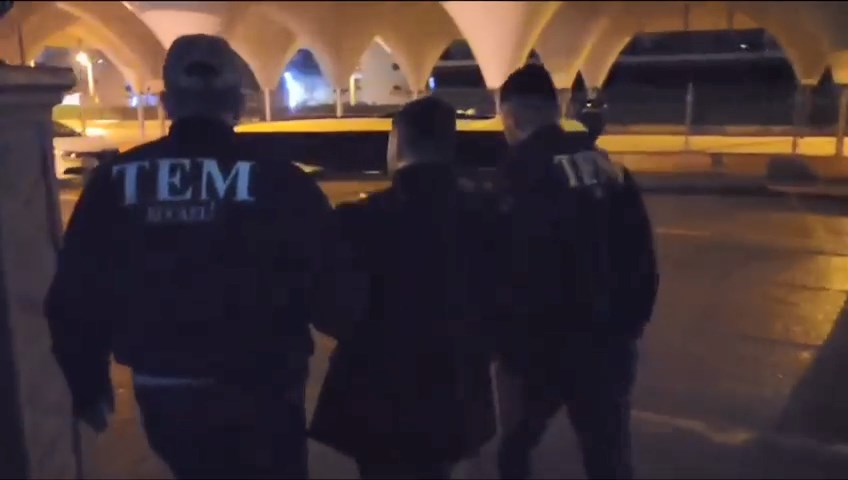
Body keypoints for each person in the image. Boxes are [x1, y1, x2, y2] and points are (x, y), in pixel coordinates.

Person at [45, 34, 363, 479]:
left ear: (167, 104)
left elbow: (76, 291)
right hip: (263, 389)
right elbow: (330, 288)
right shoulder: (281, 180)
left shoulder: (114, 181)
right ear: (237, 102)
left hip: (166, 391)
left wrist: (88, 382)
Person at [309, 97, 499, 479]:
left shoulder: (359, 220)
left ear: (397, 143)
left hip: (376, 393)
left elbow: (327, 305)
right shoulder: (487, 216)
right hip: (455, 386)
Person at [492, 63, 659, 480]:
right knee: (608, 456)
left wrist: (504, 343)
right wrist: (629, 327)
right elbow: (641, 256)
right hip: (608, 345)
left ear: (510, 116)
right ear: (556, 109)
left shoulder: (518, 173)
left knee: (513, 451)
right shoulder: (606, 166)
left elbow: (506, 265)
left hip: (538, 351)